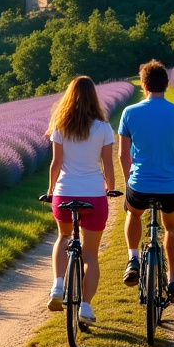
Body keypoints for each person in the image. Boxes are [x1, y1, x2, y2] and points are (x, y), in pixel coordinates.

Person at [118, 60, 174, 301]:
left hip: (139, 185)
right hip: (171, 187)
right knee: (171, 226)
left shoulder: (130, 112)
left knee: (133, 214)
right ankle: (173, 281)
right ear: (166, 84)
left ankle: (133, 259)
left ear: (144, 84)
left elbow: (123, 155)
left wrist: (128, 182)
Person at [44, 75, 116, 325]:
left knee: (63, 237)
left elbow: (56, 164)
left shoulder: (60, 127)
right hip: (94, 195)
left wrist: (51, 190)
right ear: (94, 98)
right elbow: (108, 164)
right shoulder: (103, 128)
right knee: (91, 254)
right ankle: (85, 307)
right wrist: (111, 189)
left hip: (65, 193)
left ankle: (58, 285)